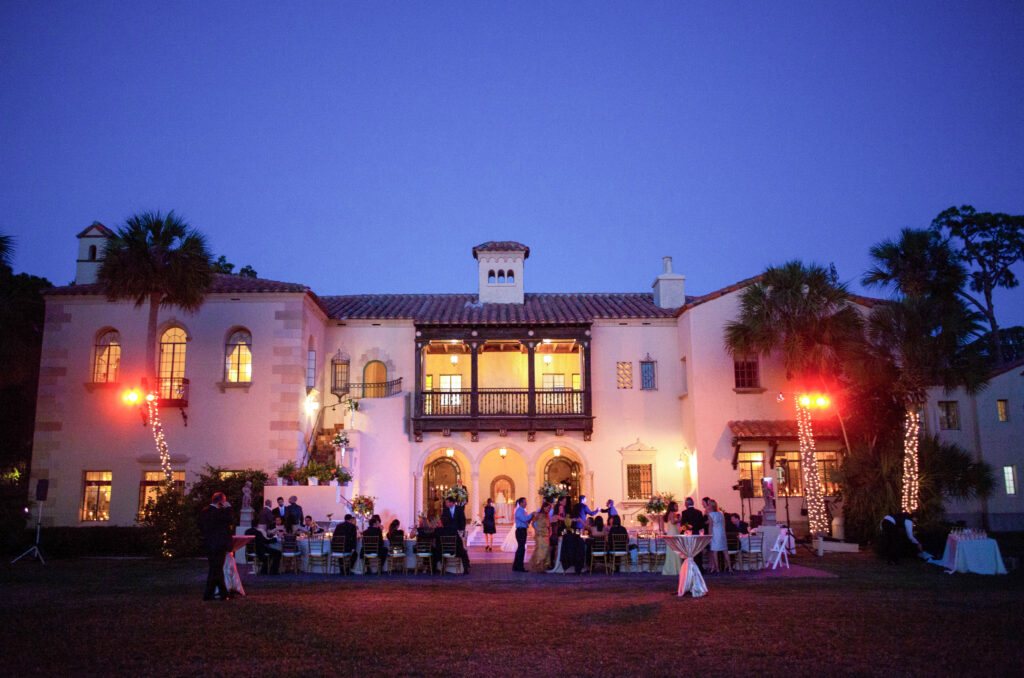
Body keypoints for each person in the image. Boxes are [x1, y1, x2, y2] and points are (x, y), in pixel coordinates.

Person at [198, 492, 233, 601]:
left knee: (215, 569)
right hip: (219, 544)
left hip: (209, 543)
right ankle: (213, 594)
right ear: (221, 502)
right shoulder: (220, 512)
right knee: (216, 569)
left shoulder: (204, 511)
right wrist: (229, 508)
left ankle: (221, 593)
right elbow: (229, 519)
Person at [439, 499, 470, 574]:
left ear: (452, 502)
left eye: (447, 502)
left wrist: (461, 530)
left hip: (457, 531)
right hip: (449, 532)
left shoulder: (459, 509)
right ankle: (443, 567)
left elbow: (463, 520)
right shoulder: (445, 510)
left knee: (462, 549)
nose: (446, 503)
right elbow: (443, 520)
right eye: (445, 502)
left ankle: (465, 568)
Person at [512, 497, 535, 572]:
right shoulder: (519, 511)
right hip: (520, 531)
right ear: (521, 503)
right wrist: (531, 514)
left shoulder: (522, 510)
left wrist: (531, 517)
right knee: (521, 548)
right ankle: (519, 567)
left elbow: (527, 521)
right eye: (525, 502)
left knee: (521, 549)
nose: (526, 504)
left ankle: (516, 566)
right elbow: (525, 519)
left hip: (522, 530)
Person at [529, 501, 552, 573]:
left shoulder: (547, 516)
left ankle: (544, 567)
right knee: (540, 551)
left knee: (546, 551)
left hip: (546, 535)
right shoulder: (538, 515)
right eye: (547, 508)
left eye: (549, 509)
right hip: (539, 535)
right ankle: (539, 567)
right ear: (544, 507)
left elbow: (549, 526)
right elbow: (532, 522)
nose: (548, 510)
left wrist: (549, 532)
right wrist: (536, 529)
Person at [707, 499, 730, 573]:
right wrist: (724, 532)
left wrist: (710, 535)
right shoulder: (721, 513)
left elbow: (711, 525)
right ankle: (730, 568)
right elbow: (724, 524)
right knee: (725, 550)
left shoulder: (711, 515)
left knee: (715, 551)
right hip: (721, 532)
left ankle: (717, 569)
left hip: (715, 532)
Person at [662, 501, 682, 576]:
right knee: (675, 550)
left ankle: (673, 568)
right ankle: (675, 568)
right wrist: (679, 519)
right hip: (673, 533)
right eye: (676, 506)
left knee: (673, 551)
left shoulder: (670, 513)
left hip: (672, 532)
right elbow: (673, 522)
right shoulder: (672, 513)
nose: (677, 507)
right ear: (672, 507)